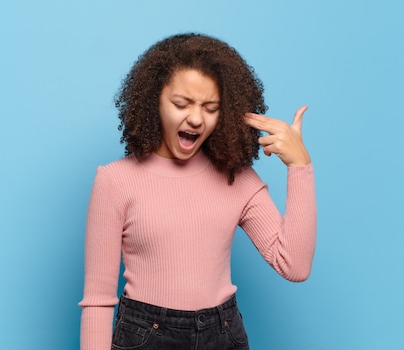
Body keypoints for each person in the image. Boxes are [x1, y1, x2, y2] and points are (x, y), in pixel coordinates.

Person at [78, 33, 317, 350]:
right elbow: (97, 301)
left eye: (210, 107)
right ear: (154, 101)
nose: (195, 118)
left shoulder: (238, 178)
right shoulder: (114, 181)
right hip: (145, 335)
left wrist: (299, 166)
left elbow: (295, 266)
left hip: (223, 333)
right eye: (181, 104)